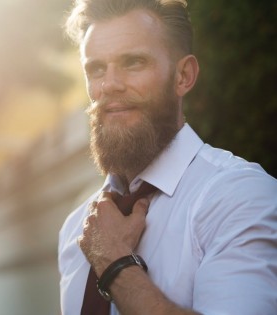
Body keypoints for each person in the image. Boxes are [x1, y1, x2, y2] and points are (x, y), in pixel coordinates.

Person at [58, 0, 277, 314]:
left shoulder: (242, 198)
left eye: (133, 62)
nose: (109, 85)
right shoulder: (74, 231)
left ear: (183, 76)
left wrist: (115, 263)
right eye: (96, 69)